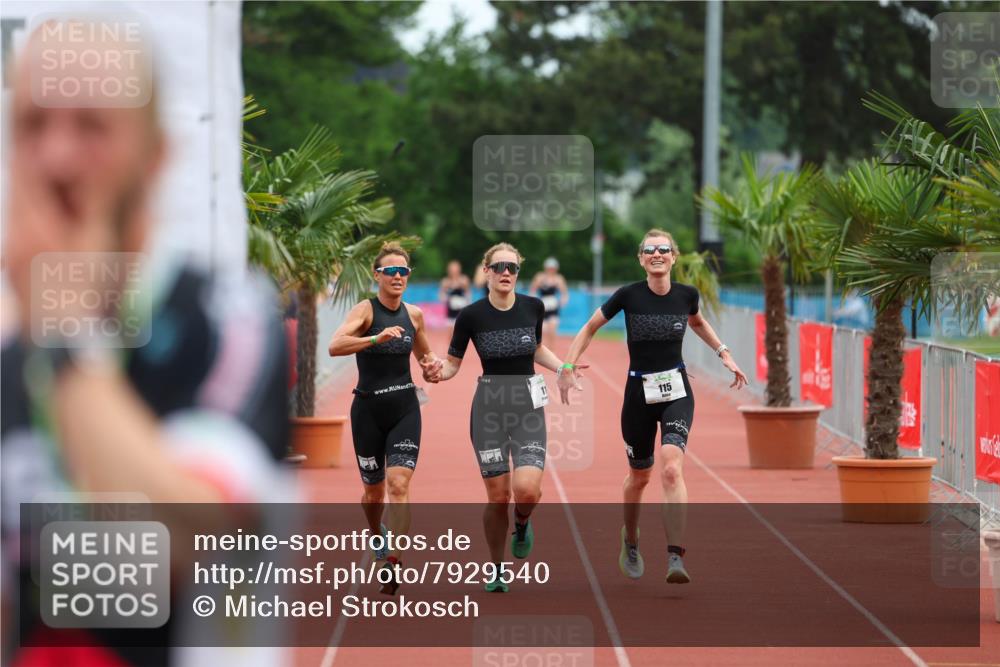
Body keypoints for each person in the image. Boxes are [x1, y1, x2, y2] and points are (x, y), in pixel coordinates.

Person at [1, 20, 291, 666]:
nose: (57, 158)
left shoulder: (224, 320)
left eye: (92, 126)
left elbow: (179, 545)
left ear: (156, 152)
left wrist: (62, 338)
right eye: (32, 125)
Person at [557, 229, 747, 584]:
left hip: (676, 390)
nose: (657, 254)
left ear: (674, 257)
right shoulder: (628, 295)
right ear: (641, 259)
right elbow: (589, 328)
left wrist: (724, 353)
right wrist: (567, 366)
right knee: (639, 477)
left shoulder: (686, 295)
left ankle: (675, 555)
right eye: (649, 250)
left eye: (663, 249)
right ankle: (630, 538)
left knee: (672, 468)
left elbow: (698, 322)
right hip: (637, 395)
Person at [423, 243, 582, 593]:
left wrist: (563, 367)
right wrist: (437, 372)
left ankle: (522, 523)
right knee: (498, 497)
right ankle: (496, 568)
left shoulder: (533, 307)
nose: (506, 273)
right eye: (499, 267)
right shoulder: (470, 316)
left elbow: (536, 348)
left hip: (527, 407)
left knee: (526, 491)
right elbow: (452, 363)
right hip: (489, 410)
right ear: (487, 271)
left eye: (512, 267)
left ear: (518, 272)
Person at [328, 243, 439, 595]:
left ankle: (393, 561)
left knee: (399, 485)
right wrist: (375, 337)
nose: (397, 277)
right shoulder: (366, 309)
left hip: (405, 407)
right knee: (373, 494)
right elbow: (335, 345)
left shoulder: (414, 315)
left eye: (403, 271)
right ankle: (377, 534)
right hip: (367, 411)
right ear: (377, 275)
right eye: (390, 271)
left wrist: (431, 366)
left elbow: (425, 354)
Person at [529, 257, 570, 350]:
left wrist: (563, 300)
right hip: (542, 307)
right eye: (549, 268)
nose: (551, 270)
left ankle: (552, 350)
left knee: (552, 329)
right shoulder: (540, 277)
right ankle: (542, 350)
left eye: (553, 268)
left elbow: (564, 292)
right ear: (546, 268)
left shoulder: (558, 279)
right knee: (543, 330)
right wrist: (534, 301)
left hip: (553, 308)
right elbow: (533, 289)